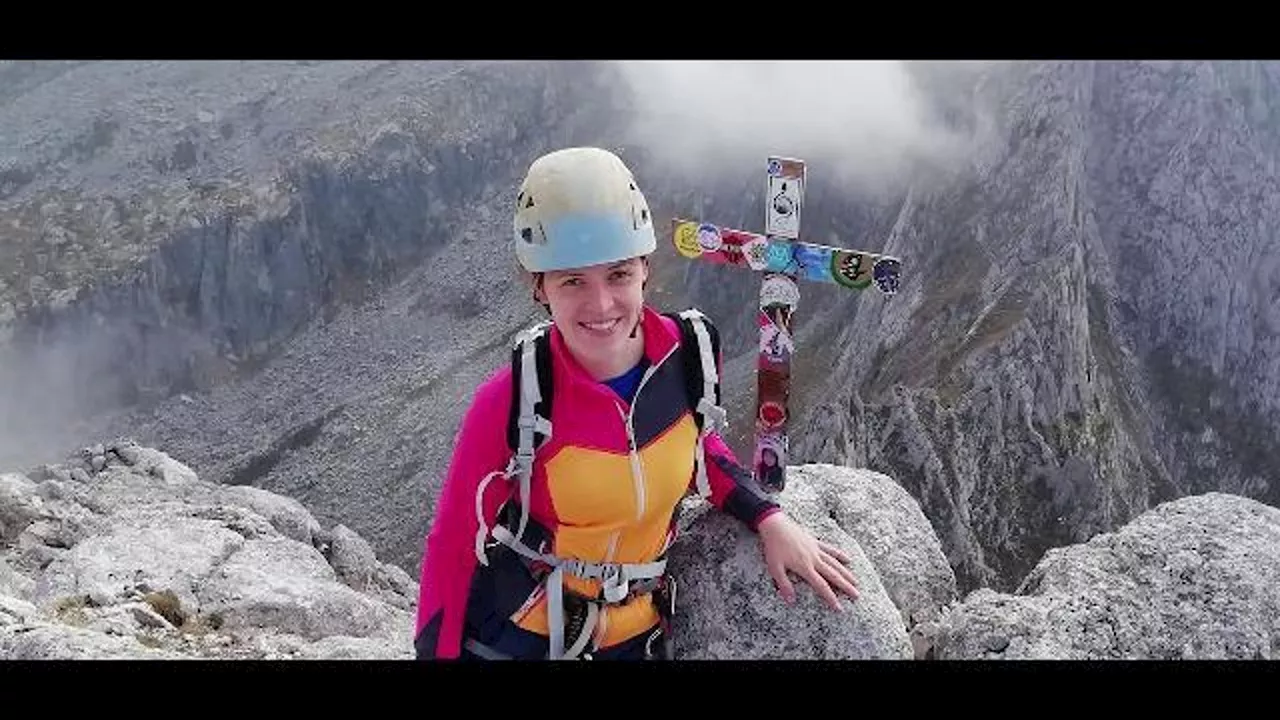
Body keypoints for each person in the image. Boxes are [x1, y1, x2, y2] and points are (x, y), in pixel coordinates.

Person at [413, 146, 859, 661]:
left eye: (619, 275)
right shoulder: (512, 399)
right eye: (573, 280)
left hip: (635, 636)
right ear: (540, 287)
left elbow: (699, 449)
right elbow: (451, 549)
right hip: (518, 635)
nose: (601, 305)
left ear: (646, 270)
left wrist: (768, 517)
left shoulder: (689, 354)